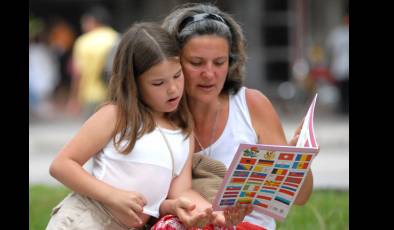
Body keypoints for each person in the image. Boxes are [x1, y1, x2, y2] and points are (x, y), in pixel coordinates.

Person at [46, 22, 220, 229]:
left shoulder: (183, 132)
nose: (173, 89)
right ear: (134, 83)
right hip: (87, 219)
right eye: (158, 83)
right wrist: (112, 195)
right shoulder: (116, 115)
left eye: (177, 75)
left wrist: (211, 212)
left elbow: (179, 193)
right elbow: (62, 165)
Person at [158, 3, 314, 229]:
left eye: (219, 62)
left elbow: (299, 198)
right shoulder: (162, 113)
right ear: (174, 62)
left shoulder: (251, 104)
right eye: (196, 62)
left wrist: (298, 163)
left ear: (231, 62)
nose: (209, 74)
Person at [66, 5, 119, 117]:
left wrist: (74, 98)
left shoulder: (84, 42)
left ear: (93, 21)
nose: (83, 25)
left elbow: (78, 74)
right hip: (114, 94)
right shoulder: (117, 38)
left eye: (85, 22)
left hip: (91, 96)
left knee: (92, 130)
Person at [326, 10, 349, 114]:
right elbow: (330, 49)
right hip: (341, 66)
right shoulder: (337, 33)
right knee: (342, 90)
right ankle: (342, 108)